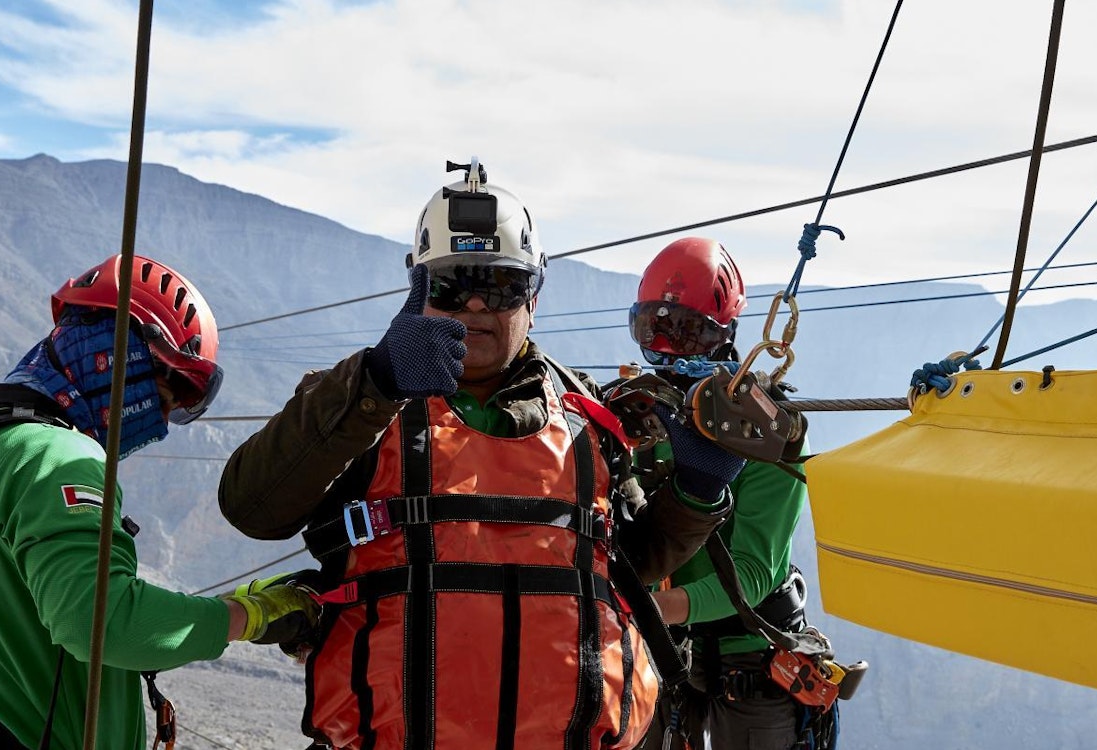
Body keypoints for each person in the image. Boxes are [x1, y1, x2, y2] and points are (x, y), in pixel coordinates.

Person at [216, 161, 742, 750]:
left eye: (499, 286)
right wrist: (378, 381)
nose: (473, 304)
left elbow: (629, 565)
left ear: (533, 295)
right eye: (449, 282)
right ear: (416, 289)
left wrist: (697, 491)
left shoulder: (588, 417)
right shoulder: (357, 400)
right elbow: (251, 507)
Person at [0, 254, 321, 750]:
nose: (160, 422)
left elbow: (50, 620)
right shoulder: (56, 457)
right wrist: (251, 616)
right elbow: (102, 623)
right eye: (166, 388)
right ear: (115, 348)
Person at [618, 238, 832, 750]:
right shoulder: (639, 415)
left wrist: (641, 607)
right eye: (655, 330)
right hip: (666, 645)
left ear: (724, 335)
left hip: (750, 650)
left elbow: (754, 574)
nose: (668, 350)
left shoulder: (767, 430)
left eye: (687, 332)